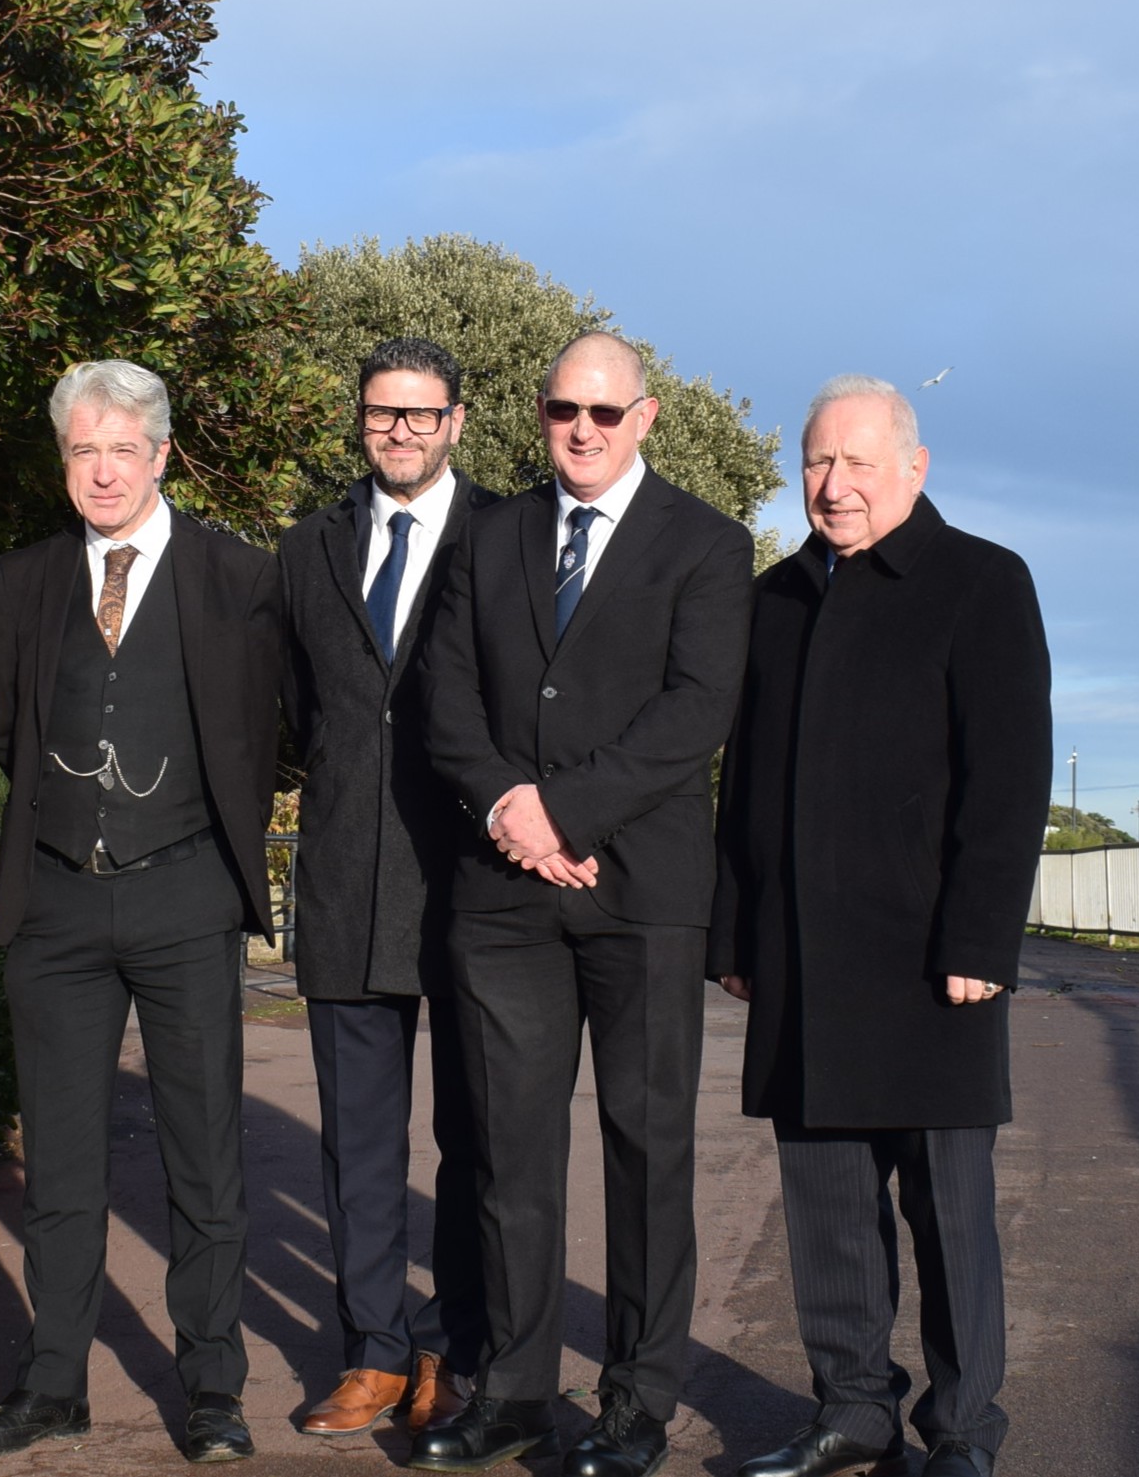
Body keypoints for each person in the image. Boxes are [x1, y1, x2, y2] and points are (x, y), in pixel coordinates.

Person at [411, 332, 754, 1477]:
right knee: (509, 1153)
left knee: (646, 1152)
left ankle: (634, 1402)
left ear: (646, 417)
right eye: (564, 409)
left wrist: (564, 812)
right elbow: (442, 688)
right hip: (502, 896)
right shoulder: (491, 533)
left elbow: (695, 710)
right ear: (540, 413)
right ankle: (511, 1393)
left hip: (642, 894)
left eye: (606, 412)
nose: (583, 430)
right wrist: (507, 804)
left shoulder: (705, 545)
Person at [0, 360, 287, 1465]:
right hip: (57, 906)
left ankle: (213, 1390)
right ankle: (51, 1386)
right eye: (81, 450)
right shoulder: (25, 577)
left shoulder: (239, 575)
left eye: (120, 450)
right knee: (63, 1168)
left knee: (204, 1160)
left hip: (187, 893)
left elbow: (284, 723)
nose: (100, 470)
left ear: (161, 455)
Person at [708, 375, 1051, 1477]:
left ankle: (961, 1432)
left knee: (949, 1219)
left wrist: (978, 944)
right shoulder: (776, 598)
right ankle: (852, 1409)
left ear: (913, 466)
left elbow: (1009, 779)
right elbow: (745, 784)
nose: (832, 484)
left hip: (928, 962)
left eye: (856, 463)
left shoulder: (982, 582)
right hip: (802, 959)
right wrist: (736, 938)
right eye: (815, 462)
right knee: (825, 1216)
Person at [278, 339, 496, 1439]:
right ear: (359, 419)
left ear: (456, 420)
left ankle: (454, 1353)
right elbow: (283, 713)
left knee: (470, 1143)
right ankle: (370, 1351)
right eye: (381, 413)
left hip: (471, 891)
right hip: (344, 888)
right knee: (357, 1144)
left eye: (420, 414)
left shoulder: (506, 535)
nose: (400, 431)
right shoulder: (307, 547)